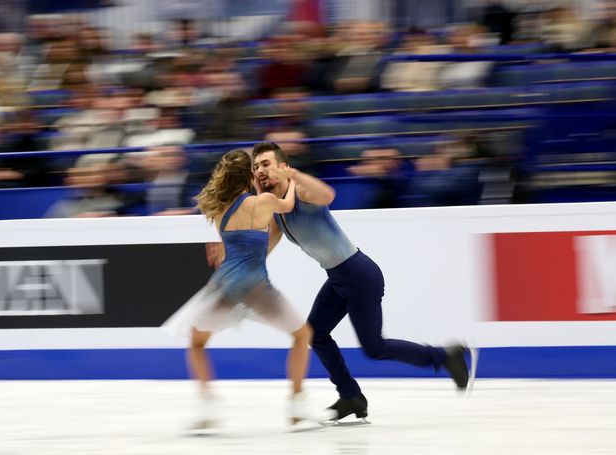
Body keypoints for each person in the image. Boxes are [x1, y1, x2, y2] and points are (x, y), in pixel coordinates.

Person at [249, 141, 476, 422]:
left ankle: (445, 356)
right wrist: (247, 264)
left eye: (266, 164)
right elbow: (270, 239)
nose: (260, 170)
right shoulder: (277, 208)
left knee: (374, 348)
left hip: (358, 274)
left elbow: (327, 194)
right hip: (338, 277)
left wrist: (293, 175)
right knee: (315, 334)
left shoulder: (301, 192)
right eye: (256, 166)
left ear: (283, 167)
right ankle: (351, 396)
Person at [162, 149, 334, 430]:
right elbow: (288, 206)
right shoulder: (263, 201)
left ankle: (208, 407)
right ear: (250, 175)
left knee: (196, 343)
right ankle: (296, 404)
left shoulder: (217, 209)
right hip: (255, 284)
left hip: (225, 284)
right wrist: (289, 181)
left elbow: (233, 240)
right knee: (303, 335)